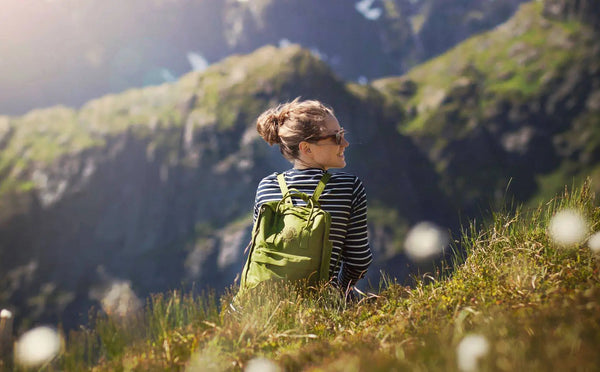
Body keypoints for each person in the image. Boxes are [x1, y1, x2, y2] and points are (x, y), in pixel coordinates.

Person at [253, 98, 372, 293]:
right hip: (321, 308)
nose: (345, 143)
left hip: (259, 306)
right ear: (306, 148)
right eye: (336, 137)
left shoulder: (267, 186)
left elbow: (257, 252)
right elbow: (359, 261)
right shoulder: (348, 187)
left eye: (342, 133)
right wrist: (337, 293)